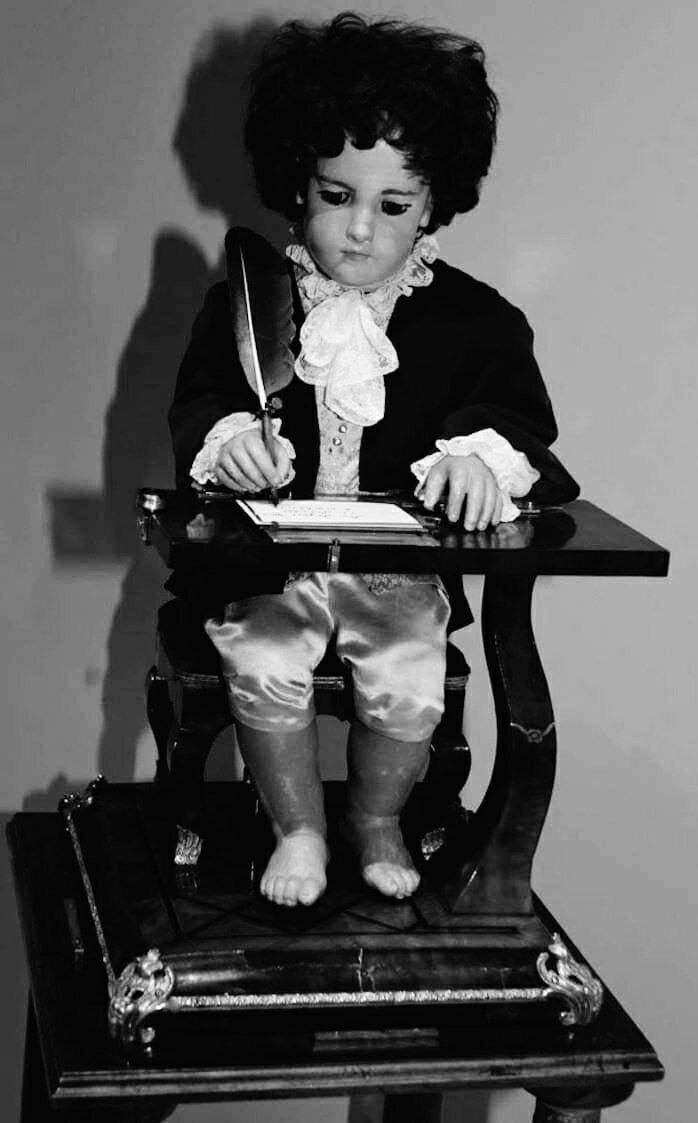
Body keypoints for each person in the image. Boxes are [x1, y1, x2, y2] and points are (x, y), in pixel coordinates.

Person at [168, 12, 579, 909]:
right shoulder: (250, 305)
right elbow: (201, 402)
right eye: (335, 195)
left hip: (397, 573)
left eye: (393, 206)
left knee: (408, 672)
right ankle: (299, 827)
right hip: (272, 570)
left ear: (432, 205)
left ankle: (376, 817)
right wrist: (230, 443)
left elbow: (517, 423)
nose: (359, 229)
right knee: (263, 654)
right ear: (297, 184)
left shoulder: (476, 321)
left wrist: (479, 462)